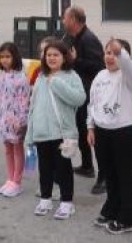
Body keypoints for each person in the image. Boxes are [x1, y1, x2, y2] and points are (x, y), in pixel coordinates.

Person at [27, 40, 86, 220]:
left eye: (56, 55)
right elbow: (33, 106)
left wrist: (57, 83)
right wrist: (30, 133)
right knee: (44, 169)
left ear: (64, 57)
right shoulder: (40, 77)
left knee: (63, 169)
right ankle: (45, 199)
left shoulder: (71, 75)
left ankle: (67, 202)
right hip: (42, 132)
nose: (52, 58)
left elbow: (79, 99)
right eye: (48, 55)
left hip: (62, 133)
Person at [87, 38, 132, 234]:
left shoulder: (127, 76)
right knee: (109, 174)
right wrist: (90, 127)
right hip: (101, 131)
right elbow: (92, 103)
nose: (110, 57)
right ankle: (111, 209)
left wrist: (121, 52)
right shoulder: (100, 76)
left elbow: (126, 63)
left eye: (115, 53)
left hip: (123, 131)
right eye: (107, 53)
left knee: (123, 175)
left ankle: (127, 218)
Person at [62, 6, 105, 190]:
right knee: (81, 130)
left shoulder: (89, 39)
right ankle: (87, 166)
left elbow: (98, 66)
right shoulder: (74, 38)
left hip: (91, 95)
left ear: (73, 19)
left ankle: (103, 177)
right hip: (79, 92)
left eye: (65, 17)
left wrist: (75, 60)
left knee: (93, 134)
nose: (63, 21)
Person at [0, 42, 30, 197]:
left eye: (8, 56)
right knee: (7, 149)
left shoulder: (21, 77)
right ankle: (10, 179)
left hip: (16, 121)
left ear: (15, 57)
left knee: (17, 149)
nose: (4, 60)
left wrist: (22, 121)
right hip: (3, 119)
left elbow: (24, 101)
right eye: (2, 57)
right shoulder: (0, 75)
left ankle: (17, 182)